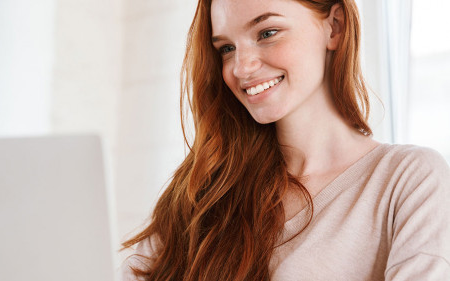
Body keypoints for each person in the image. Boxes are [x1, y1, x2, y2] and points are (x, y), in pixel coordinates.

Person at [119, 0, 450, 280]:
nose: (241, 68)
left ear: (334, 27)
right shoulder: (205, 192)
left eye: (267, 33)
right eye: (227, 48)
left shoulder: (409, 180)